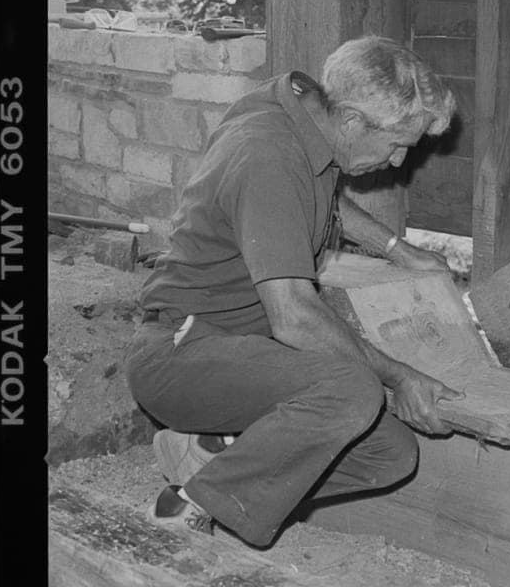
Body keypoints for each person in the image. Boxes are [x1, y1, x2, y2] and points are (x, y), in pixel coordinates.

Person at [125, 36, 464, 546]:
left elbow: (318, 196)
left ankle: (214, 451)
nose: (397, 162)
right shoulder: (268, 156)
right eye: (397, 145)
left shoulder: (302, 113)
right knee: (354, 389)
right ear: (351, 121)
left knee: (391, 454)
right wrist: (401, 376)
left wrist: (397, 249)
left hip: (239, 352)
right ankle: (186, 509)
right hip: (181, 352)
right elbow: (294, 318)